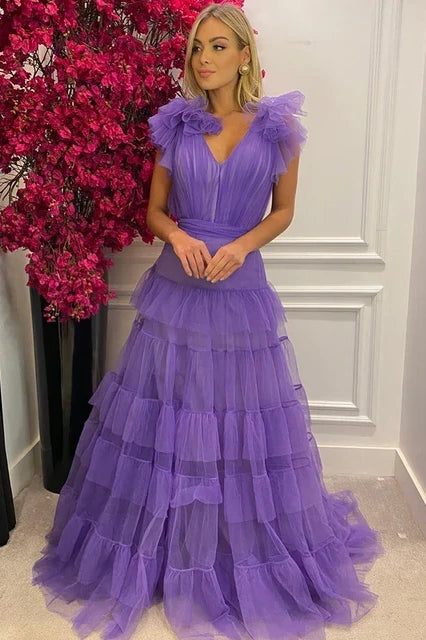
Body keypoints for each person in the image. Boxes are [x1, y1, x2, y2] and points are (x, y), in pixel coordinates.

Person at [32, 4, 385, 640]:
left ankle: (228, 542)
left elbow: (283, 211)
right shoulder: (176, 125)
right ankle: (165, 543)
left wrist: (241, 246)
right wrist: (179, 236)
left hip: (238, 287)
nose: (204, 59)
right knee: (171, 411)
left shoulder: (277, 128)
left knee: (238, 418)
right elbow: (155, 211)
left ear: (245, 54)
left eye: (219, 46)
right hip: (177, 287)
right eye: (197, 47)